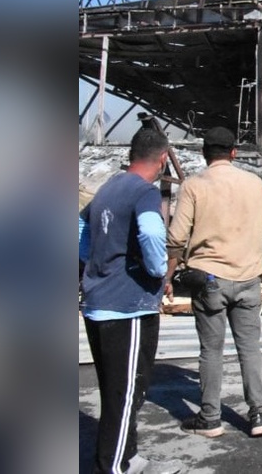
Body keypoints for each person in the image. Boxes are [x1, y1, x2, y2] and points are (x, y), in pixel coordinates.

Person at [166, 126, 262, 438]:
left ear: (205, 153)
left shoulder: (193, 185)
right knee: (249, 348)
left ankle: (210, 418)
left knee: (211, 350)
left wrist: (167, 277)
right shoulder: (254, 184)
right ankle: (260, 414)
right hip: (247, 278)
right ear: (233, 152)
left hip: (209, 281)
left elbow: (176, 238)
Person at [80, 128, 182, 474]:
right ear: (164, 158)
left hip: (98, 302)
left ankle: (130, 457)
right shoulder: (144, 193)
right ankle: (114, 466)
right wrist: (157, 272)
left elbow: (79, 229)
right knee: (127, 395)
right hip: (128, 308)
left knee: (115, 390)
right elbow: (153, 232)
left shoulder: (109, 188)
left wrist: (94, 262)